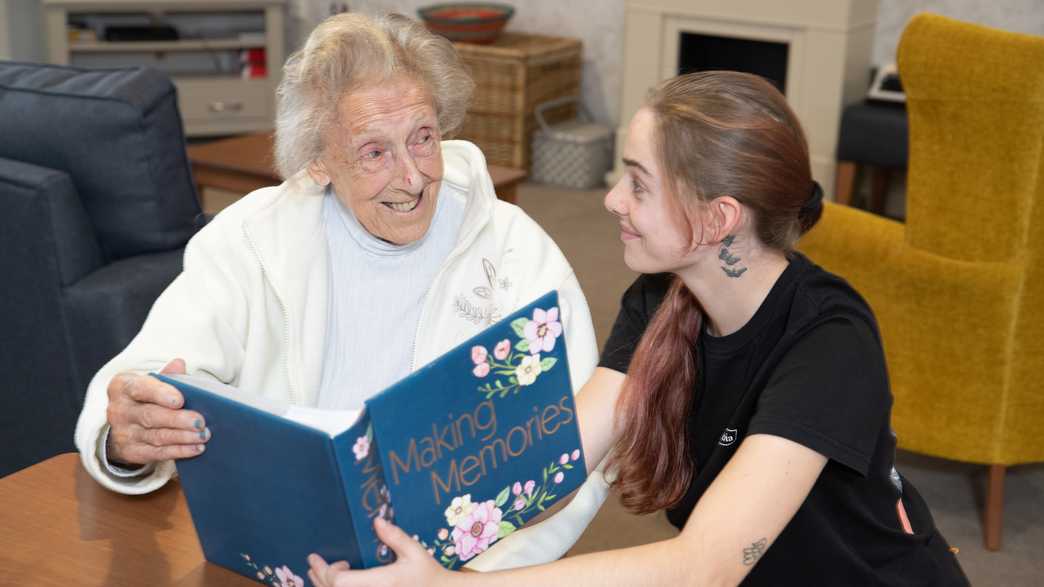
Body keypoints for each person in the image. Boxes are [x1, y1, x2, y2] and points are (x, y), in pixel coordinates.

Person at [307, 71, 971, 586]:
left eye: (638, 184)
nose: (611, 200)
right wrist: (382, 527)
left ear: (717, 219)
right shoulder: (661, 298)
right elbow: (555, 464)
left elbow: (703, 566)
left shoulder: (831, 342)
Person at [74, 12, 608, 570]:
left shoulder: (515, 250)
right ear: (320, 160)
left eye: (423, 138)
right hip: (281, 553)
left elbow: (579, 450)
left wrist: (463, 580)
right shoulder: (254, 238)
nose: (411, 176)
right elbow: (150, 374)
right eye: (375, 151)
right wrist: (125, 438)